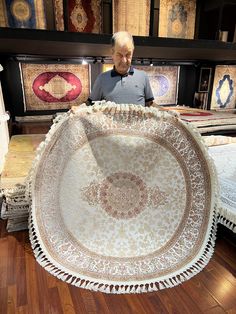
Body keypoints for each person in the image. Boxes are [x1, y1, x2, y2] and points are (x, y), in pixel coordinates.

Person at [87, 31, 154, 107]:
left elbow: (150, 104)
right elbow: (89, 105)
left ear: (133, 52)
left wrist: (165, 111)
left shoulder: (143, 77)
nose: (124, 60)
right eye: (119, 55)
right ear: (112, 53)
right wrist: (78, 108)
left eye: (128, 54)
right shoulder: (101, 79)